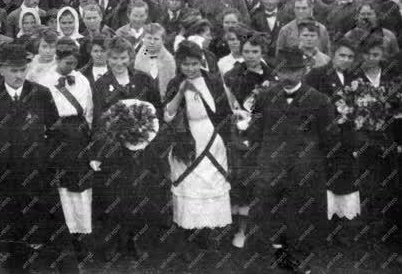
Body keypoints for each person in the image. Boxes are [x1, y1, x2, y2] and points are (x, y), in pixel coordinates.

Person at [0, 43, 70, 273]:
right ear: (1, 70)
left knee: (51, 232)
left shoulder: (41, 94)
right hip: (5, 180)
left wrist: (47, 162)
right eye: (13, 70)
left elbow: (56, 133)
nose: (18, 75)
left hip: (39, 178)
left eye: (22, 70)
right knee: (11, 236)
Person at [249, 48, 337, 273]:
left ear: (303, 71)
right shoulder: (265, 96)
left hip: (304, 171)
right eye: (282, 71)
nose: (287, 76)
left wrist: (312, 163)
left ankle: (300, 258)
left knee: (301, 214)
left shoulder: (319, 100)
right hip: (272, 168)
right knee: (272, 211)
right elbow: (256, 131)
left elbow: (329, 139)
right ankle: (278, 253)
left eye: (293, 71)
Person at [90, 36, 163, 261]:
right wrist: (99, 151)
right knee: (116, 197)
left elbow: (155, 112)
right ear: (107, 58)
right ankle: (116, 243)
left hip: (142, 149)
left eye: (123, 57)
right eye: (114, 58)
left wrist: (146, 137)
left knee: (140, 196)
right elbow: (98, 121)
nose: (118, 62)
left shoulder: (143, 80)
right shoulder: (101, 84)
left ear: (130, 57)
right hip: (114, 150)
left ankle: (139, 243)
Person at [163, 41, 232, 259]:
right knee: (189, 186)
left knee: (210, 184)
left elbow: (223, 109)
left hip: (212, 137)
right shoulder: (176, 82)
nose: (190, 69)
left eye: (194, 64)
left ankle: (208, 233)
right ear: (179, 64)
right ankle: (186, 235)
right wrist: (182, 90)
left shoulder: (212, 80)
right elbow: (168, 115)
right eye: (185, 65)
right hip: (186, 139)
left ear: (200, 62)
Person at [36, 38, 94, 262]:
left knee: (78, 187)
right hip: (55, 137)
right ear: (58, 59)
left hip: (77, 137)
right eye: (67, 63)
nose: (71, 67)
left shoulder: (82, 80)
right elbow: (40, 112)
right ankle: (60, 238)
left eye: (74, 63)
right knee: (59, 187)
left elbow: (89, 111)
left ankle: (79, 239)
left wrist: (87, 137)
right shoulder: (45, 81)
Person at [304, 40, 362, 246]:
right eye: (341, 55)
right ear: (333, 55)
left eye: (350, 57)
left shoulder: (355, 78)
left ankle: (341, 228)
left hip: (346, 139)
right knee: (322, 182)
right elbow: (307, 104)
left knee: (344, 181)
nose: (345, 60)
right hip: (322, 139)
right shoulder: (316, 75)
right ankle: (320, 229)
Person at [222, 33, 273, 249]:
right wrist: (237, 114)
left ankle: (264, 230)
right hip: (240, 137)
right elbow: (228, 105)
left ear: (262, 53)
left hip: (266, 134)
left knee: (264, 182)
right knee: (241, 180)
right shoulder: (233, 75)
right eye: (246, 52)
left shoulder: (272, 75)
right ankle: (239, 229)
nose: (250, 56)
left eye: (255, 52)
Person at [134, 22, 176, 101]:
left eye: (156, 39)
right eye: (149, 38)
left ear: (163, 40)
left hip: (162, 102)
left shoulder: (169, 60)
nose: (152, 42)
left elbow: (172, 87)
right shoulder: (139, 57)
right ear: (143, 39)